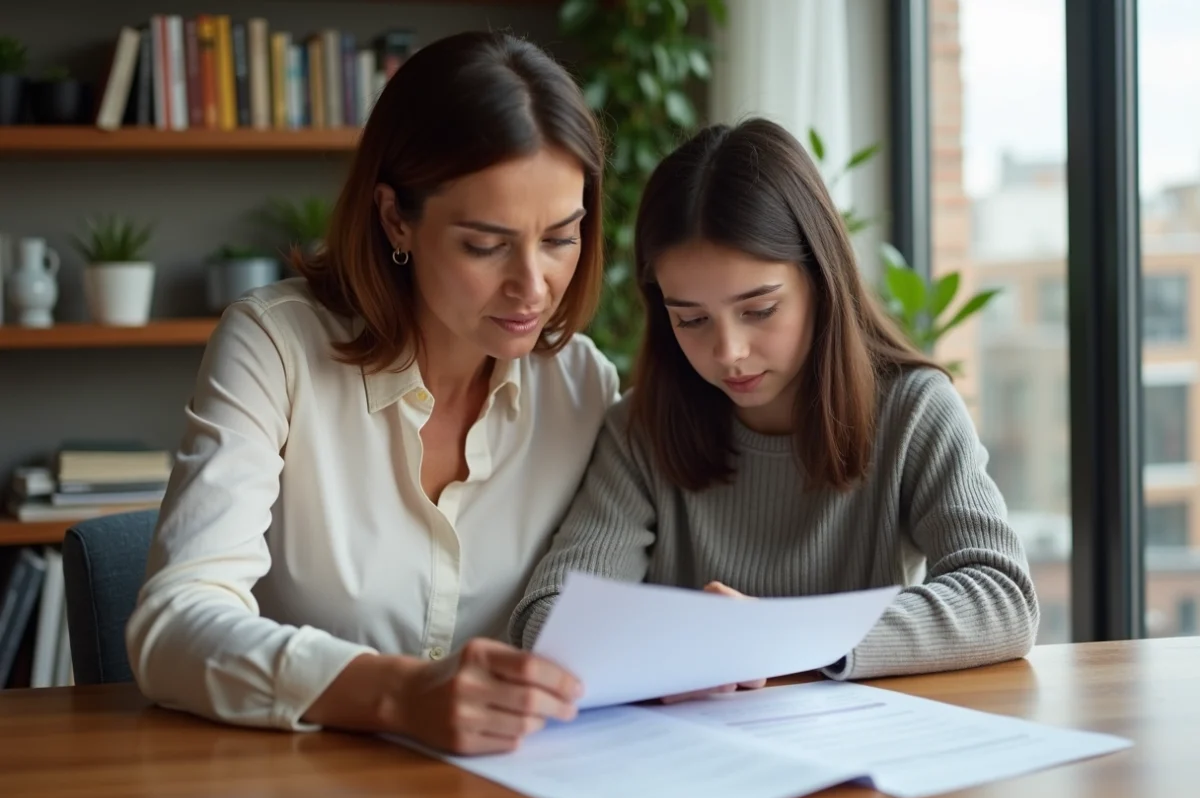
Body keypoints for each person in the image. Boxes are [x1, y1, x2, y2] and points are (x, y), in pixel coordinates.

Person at [126, 31, 619, 755]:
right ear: (396, 219)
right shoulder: (276, 347)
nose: (533, 284)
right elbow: (173, 625)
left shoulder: (584, 387)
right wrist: (399, 693)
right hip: (294, 786)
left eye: (561, 238)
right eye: (486, 244)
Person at [510, 118, 1039, 687]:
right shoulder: (641, 429)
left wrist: (777, 636)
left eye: (759, 310)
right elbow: (547, 618)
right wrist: (681, 649)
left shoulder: (914, 409)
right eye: (690, 318)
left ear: (821, 279)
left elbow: (1002, 598)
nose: (728, 351)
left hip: (860, 752)